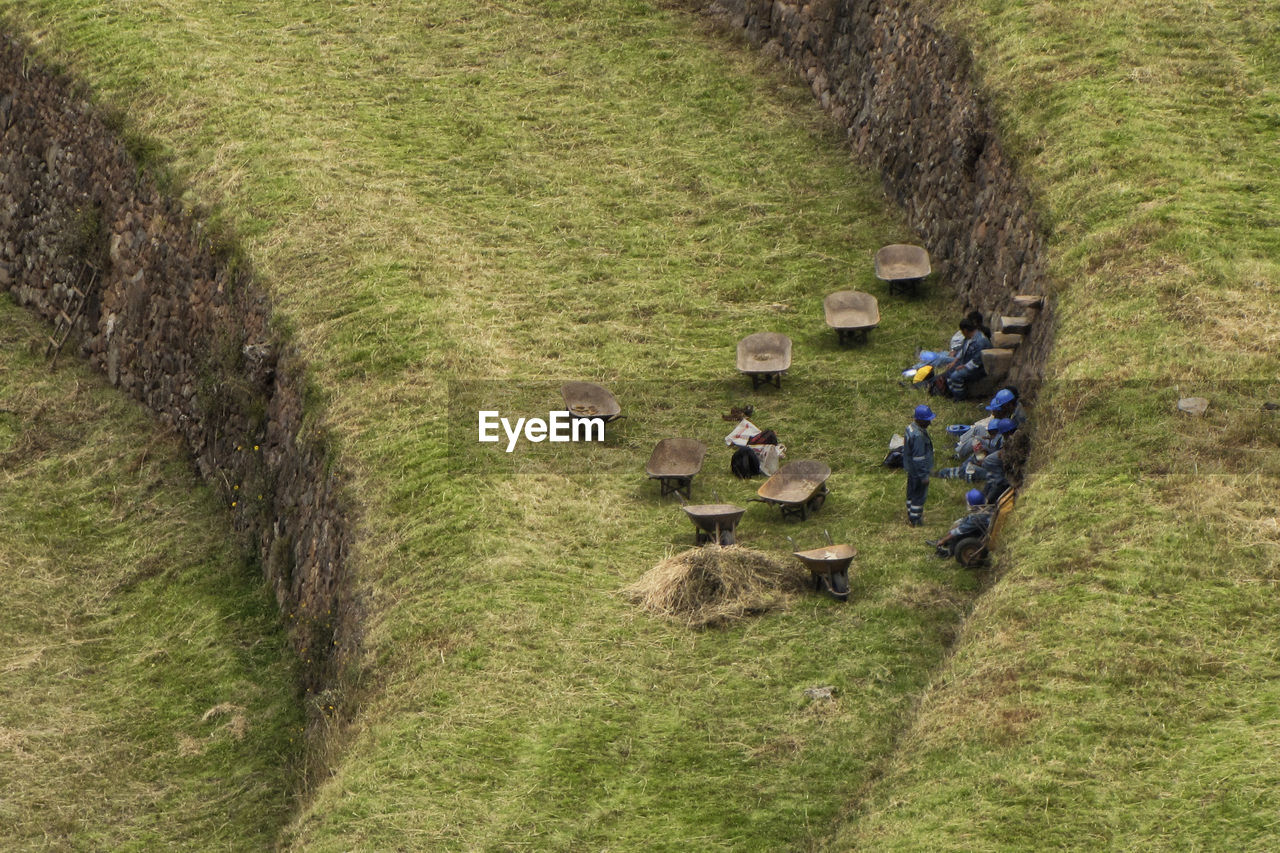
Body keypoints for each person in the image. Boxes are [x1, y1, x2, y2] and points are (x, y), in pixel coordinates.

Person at [926, 489, 992, 557]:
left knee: (959, 535)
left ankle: (948, 552)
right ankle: (945, 542)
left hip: (979, 536)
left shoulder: (977, 518)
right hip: (981, 531)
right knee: (959, 524)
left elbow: (958, 531)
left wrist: (943, 540)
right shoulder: (987, 510)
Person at [941, 317, 991, 399]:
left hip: (978, 369)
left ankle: (960, 397)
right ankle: (950, 392)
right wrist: (954, 362)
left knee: (955, 376)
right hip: (966, 362)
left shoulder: (980, 342)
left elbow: (977, 361)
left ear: (965, 330)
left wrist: (964, 366)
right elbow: (962, 351)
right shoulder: (968, 338)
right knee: (949, 371)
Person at [903, 404, 935, 526]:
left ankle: (910, 515)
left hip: (911, 469)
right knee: (918, 496)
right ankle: (916, 520)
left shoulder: (910, 428)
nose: (929, 423)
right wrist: (924, 476)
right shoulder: (919, 436)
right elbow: (919, 458)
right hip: (918, 471)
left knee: (911, 494)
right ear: (920, 419)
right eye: (927, 420)